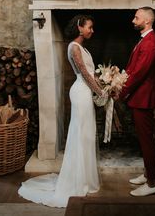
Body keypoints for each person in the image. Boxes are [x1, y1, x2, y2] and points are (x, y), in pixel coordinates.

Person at [18, 14, 107, 207]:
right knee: (81, 134)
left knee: (87, 135)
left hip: (85, 91)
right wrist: (100, 92)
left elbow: (90, 73)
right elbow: (83, 72)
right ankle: (76, 180)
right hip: (81, 92)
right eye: (89, 27)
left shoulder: (82, 47)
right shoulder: (73, 47)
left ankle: (84, 177)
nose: (92, 30)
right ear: (79, 27)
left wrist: (104, 86)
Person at [119, 6, 155, 197]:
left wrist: (121, 91)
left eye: (136, 18)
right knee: (144, 139)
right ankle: (147, 174)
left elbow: (139, 74)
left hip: (143, 98)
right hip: (139, 97)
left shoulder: (151, 43)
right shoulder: (144, 40)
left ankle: (153, 183)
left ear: (147, 21)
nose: (133, 21)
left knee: (147, 141)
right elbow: (133, 69)